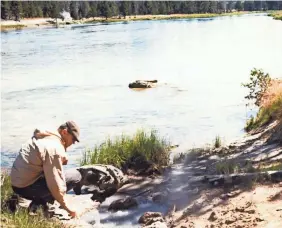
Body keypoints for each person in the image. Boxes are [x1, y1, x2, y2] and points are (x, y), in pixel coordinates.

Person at [10, 121, 82, 218]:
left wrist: (61, 155)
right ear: (64, 132)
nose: (73, 143)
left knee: (59, 174)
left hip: (16, 184)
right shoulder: (54, 148)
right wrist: (69, 209)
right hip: (25, 187)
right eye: (73, 139)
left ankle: (38, 200)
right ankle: (39, 203)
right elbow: (56, 185)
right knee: (75, 176)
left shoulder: (46, 136)